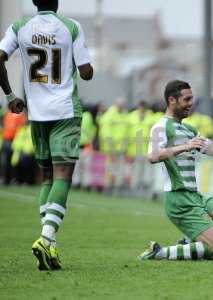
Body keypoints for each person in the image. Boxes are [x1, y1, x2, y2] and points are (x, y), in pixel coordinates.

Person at [0, 0, 93, 270]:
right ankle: (46, 238)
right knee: (63, 176)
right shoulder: (71, 27)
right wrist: (82, 66)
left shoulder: (19, 27)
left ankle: (49, 247)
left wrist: (9, 95)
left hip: (36, 113)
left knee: (47, 178)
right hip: (64, 110)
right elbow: (86, 73)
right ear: (57, 1)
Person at [139, 80, 213, 261]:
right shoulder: (161, 126)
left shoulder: (189, 130)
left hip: (195, 196)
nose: (191, 104)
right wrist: (184, 147)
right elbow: (152, 156)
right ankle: (159, 252)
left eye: (192, 99)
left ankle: (190, 241)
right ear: (172, 100)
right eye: (187, 99)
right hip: (178, 199)